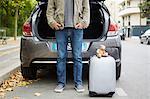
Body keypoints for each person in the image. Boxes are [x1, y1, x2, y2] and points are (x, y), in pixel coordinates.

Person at [46, 0, 90, 93]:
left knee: (77, 56)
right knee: (61, 57)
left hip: (77, 28)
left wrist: (83, 22)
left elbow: (86, 9)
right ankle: (61, 83)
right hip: (60, 28)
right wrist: (52, 22)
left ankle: (78, 83)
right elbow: (50, 9)